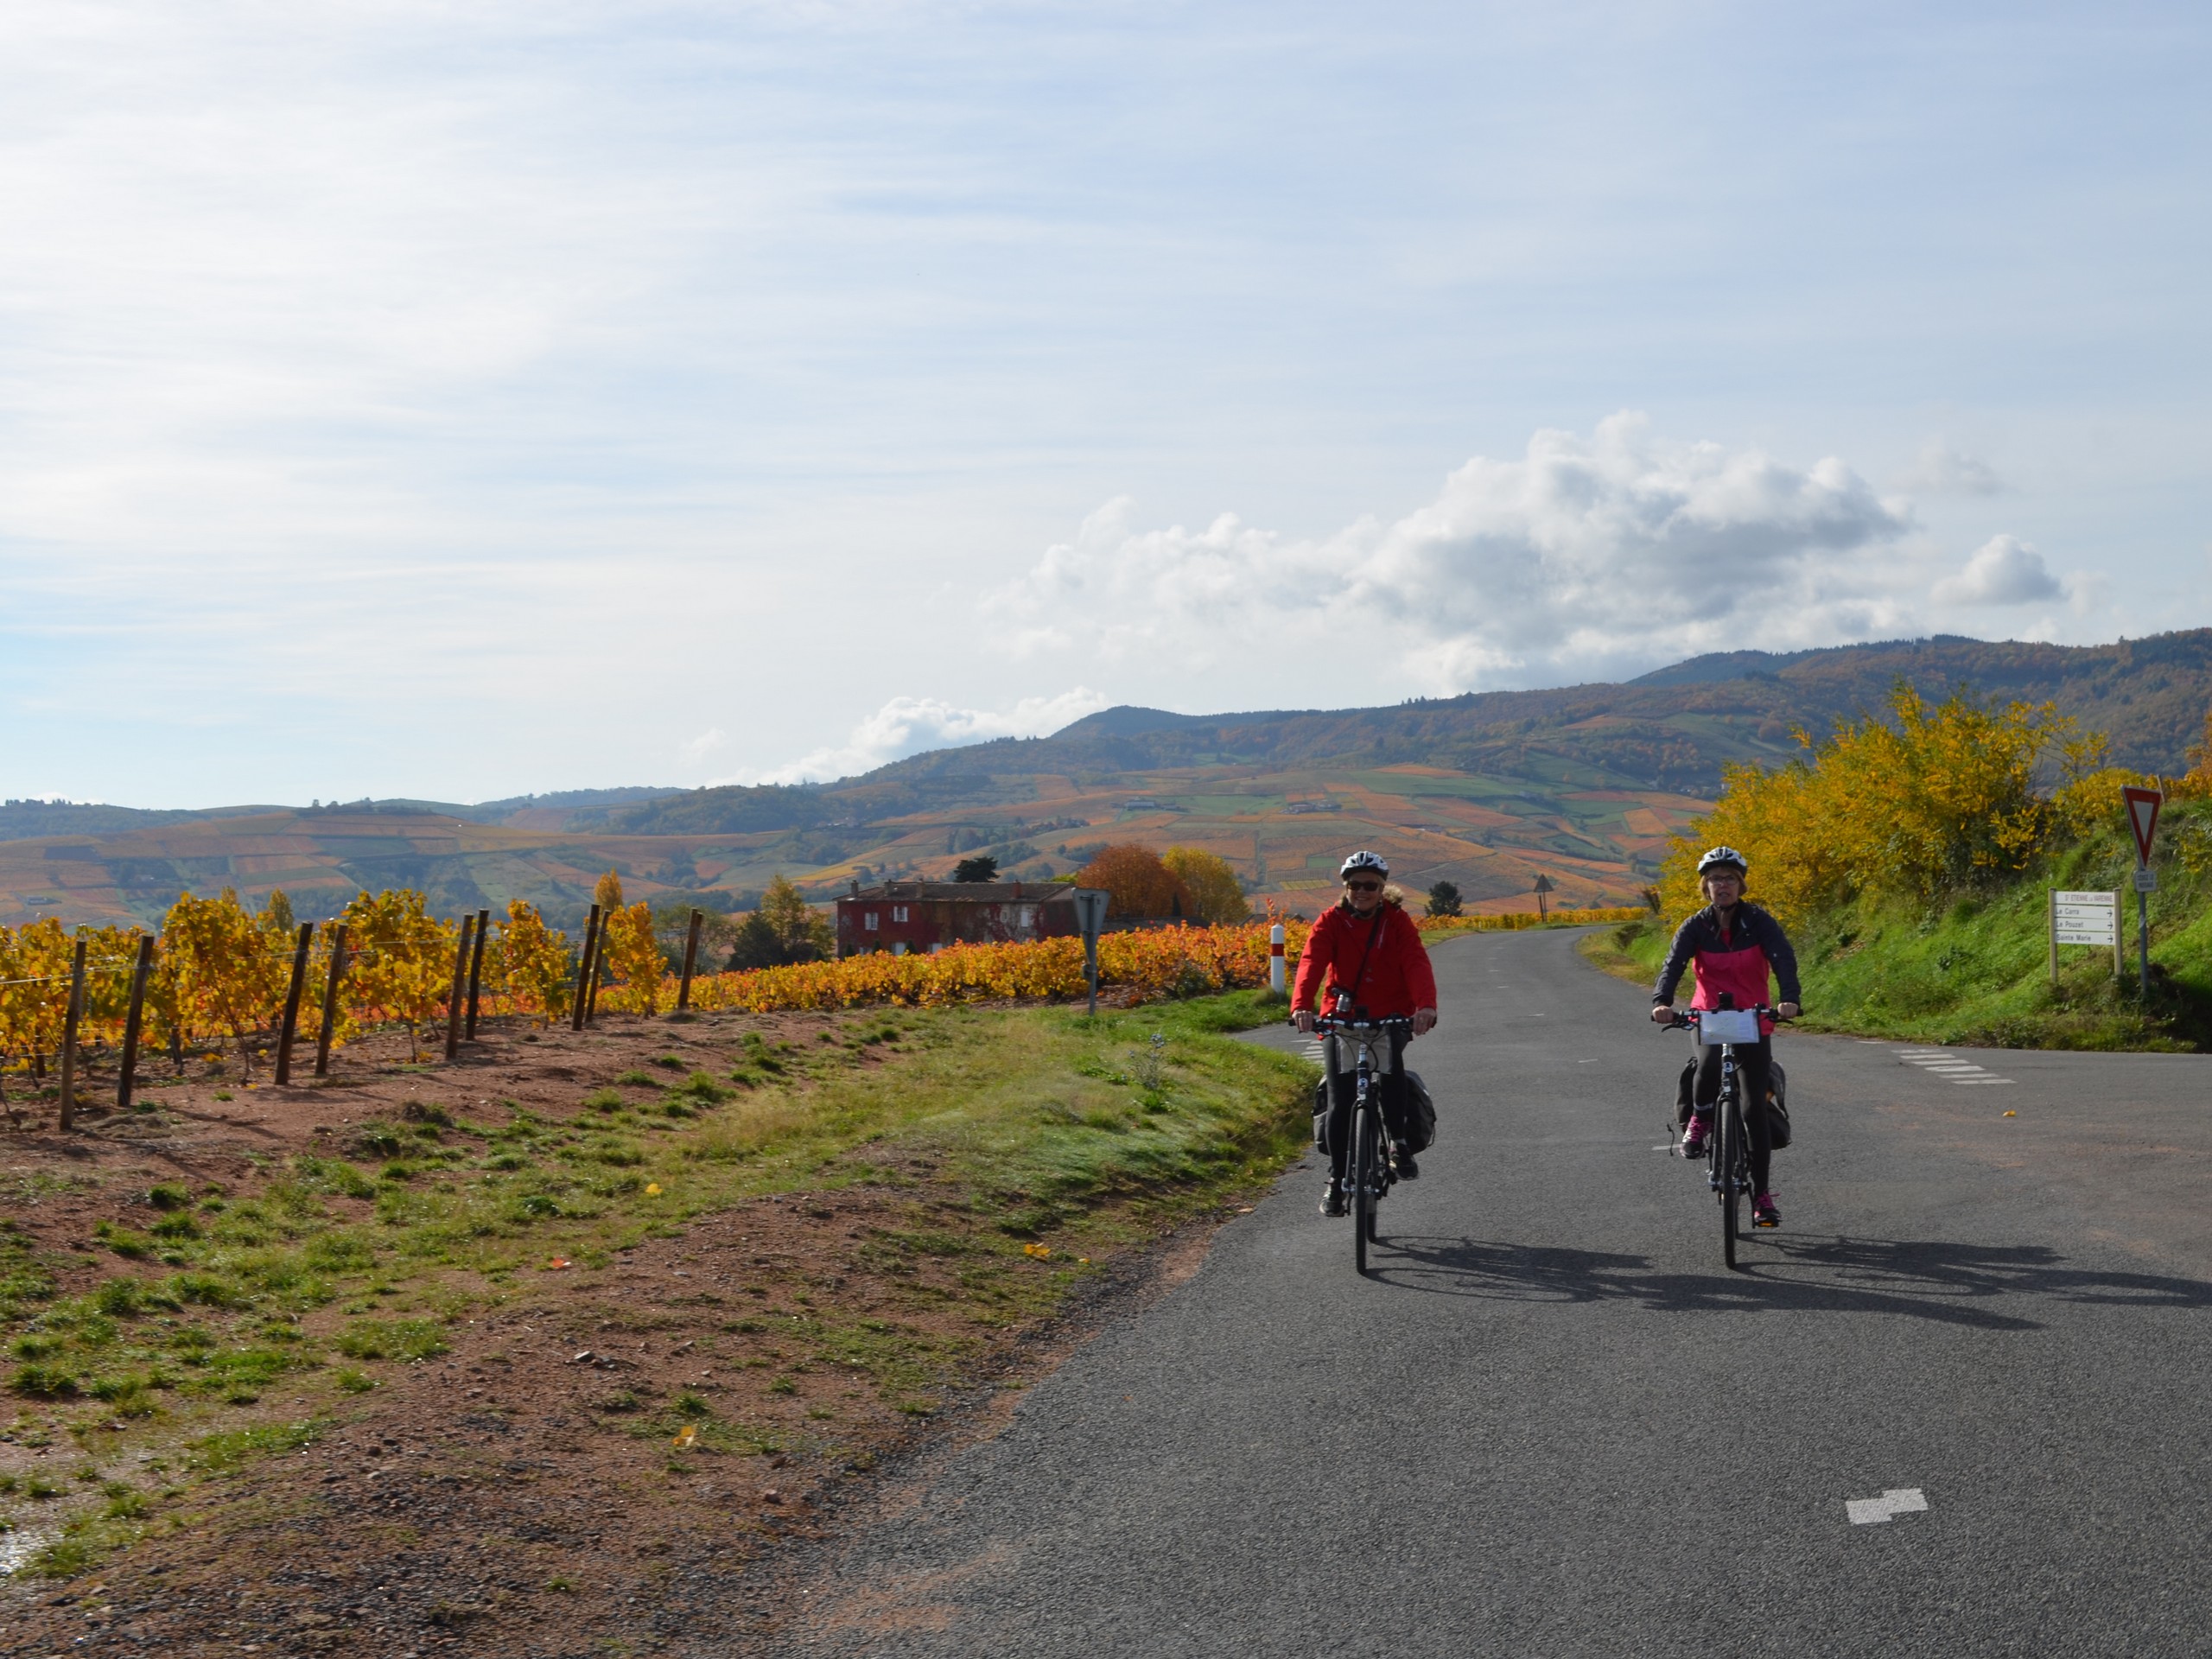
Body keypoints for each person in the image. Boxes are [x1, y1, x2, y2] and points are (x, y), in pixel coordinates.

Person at [1649, 846, 1802, 1228]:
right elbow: (1673, 965)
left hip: (1753, 1017)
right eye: (1715, 879)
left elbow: (1783, 957)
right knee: (1709, 1062)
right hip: (1710, 1014)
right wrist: (1662, 1001)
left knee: (1754, 1109)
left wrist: (1789, 1000)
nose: (1723, 885)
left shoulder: (1759, 922)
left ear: (1740, 884)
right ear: (1706, 886)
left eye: (1729, 878)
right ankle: (1700, 1121)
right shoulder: (1695, 926)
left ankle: (1762, 1196)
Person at [1293, 851, 1440, 1217]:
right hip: (1341, 1019)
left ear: (1382, 888)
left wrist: (1425, 1006)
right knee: (1341, 1099)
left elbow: (1415, 961)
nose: (1362, 891)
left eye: (1370, 885)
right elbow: (1312, 960)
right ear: (1346, 887)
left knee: (1391, 1075)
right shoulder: (1331, 921)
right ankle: (1337, 1180)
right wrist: (1301, 1005)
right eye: (1355, 885)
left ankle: (1399, 1144)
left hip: (1390, 1015)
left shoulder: (1397, 922)